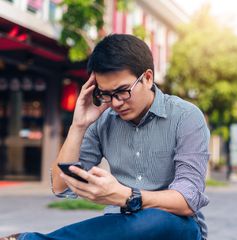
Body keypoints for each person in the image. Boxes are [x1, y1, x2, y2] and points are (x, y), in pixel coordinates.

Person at [1, 34, 210, 240]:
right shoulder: (103, 119)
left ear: (147, 78)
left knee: (158, 219)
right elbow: (60, 186)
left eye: (122, 91)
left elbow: (187, 199)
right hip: (121, 226)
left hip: (178, 227)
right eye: (106, 94)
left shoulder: (186, 117)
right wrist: (78, 125)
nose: (116, 103)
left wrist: (127, 196)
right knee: (119, 224)